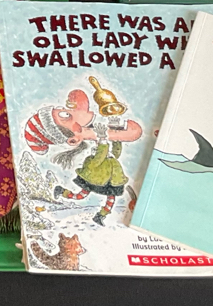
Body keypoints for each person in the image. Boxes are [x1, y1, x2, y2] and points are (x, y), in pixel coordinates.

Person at [23, 87, 143, 225]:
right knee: (81, 195)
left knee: (111, 198)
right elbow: (99, 158)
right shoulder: (92, 161)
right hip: (95, 178)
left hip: (112, 179)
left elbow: (116, 153)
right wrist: (103, 140)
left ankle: (100, 216)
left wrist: (115, 136)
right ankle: (62, 191)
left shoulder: (105, 153)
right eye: (65, 115)